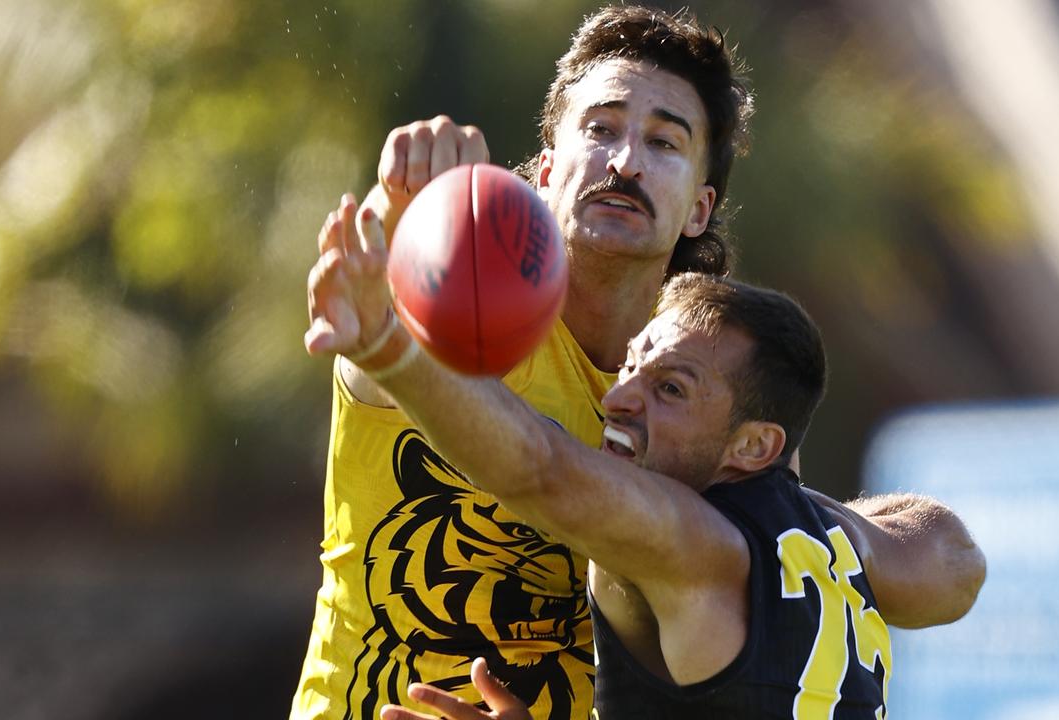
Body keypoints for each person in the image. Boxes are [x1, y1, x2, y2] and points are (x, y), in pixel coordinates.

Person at [293, 6, 985, 720]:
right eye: (600, 129)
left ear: (699, 208)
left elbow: (940, 574)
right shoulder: (449, 307)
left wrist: (796, 534)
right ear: (547, 169)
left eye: (664, 142)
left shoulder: (712, 395)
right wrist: (402, 195)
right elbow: (376, 290)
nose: (625, 162)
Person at [307, 213, 897, 716]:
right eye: (631, 368)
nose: (617, 399)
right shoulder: (840, 545)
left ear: (753, 447)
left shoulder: (689, 542)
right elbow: (953, 556)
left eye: (670, 389)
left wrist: (386, 342)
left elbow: (540, 469)